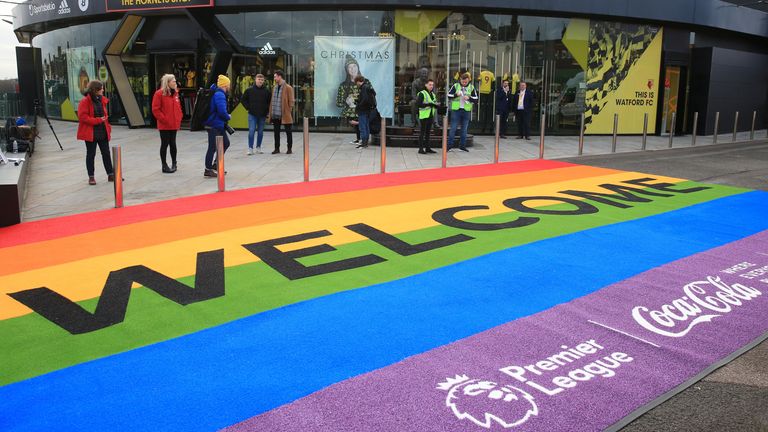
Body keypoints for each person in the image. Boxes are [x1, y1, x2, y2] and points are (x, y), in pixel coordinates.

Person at [77, 80, 114, 185]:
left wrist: (108, 127)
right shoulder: (85, 101)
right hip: (91, 133)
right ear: (95, 90)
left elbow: (104, 117)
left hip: (102, 132)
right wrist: (98, 120)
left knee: (106, 153)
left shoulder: (102, 100)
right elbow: (82, 117)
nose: (103, 90)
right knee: (91, 154)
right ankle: (91, 177)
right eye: (101, 88)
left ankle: (110, 174)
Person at [151, 74, 182, 173]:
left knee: (173, 143)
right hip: (165, 124)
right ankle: (164, 165)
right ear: (168, 82)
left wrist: (179, 117)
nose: (175, 83)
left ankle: (174, 163)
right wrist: (164, 119)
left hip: (174, 123)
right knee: (165, 144)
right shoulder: (159, 94)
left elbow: (178, 107)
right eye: (173, 81)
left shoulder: (175, 93)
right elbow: (155, 109)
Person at [203, 74, 232, 177]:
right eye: (228, 85)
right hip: (214, 124)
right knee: (212, 147)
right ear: (225, 85)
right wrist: (228, 116)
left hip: (217, 124)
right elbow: (222, 111)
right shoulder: (219, 95)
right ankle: (208, 169)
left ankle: (216, 164)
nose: (229, 87)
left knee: (226, 143)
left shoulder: (217, 93)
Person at [446, 72, 478, 152]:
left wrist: (469, 98)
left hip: (466, 110)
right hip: (456, 110)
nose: (464, 83)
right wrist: (456, 94)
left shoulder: (471, 87)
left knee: (464, 129)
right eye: (463, 82)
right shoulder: (456, 86)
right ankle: (449, 145)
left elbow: (476, 99)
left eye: (466, 82)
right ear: (460, 80)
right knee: (453, 128)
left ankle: (462, 146)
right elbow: (449, 96)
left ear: (468, 81)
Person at [241, 73, 271, 154]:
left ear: (264, 81)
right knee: (251, 131)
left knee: (260, 132)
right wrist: (248, 107)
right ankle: (250, 148)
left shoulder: (267, 91)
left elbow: (269, 102)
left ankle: (258, 147)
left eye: (262, 80)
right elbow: (243, 100)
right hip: (252, 114)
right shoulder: (249, 90)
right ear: (255, 80)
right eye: (259, 79)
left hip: (262, 115)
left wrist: (267, 112)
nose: (260, 81)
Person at [268, 70, 295, 154]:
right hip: (276, 113)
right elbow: (272, 100)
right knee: (276, 132)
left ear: (280, 77)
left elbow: (291, 101)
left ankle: (289, 148)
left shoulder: (288, 87)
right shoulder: (275, 87)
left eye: (275, 76)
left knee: (288, 132)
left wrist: (288, 110)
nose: (274, 78)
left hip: (285, 113)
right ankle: (277, 148)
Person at [336, 55, 361, 144]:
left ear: (358, 67)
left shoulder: (365, 82)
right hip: (350, 112)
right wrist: (346, 102)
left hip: (362, 110)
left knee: (361, 123)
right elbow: (339, 103)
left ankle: (362, 139)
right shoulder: (343, 85)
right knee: (355, 123)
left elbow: (371, 96)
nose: (352, 69)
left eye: (354, 66)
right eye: (349, 67)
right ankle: (358, 138)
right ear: (347, 70)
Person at [416, 79, 439, 154]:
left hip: (430, 115)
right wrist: (430, 104)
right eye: (430, 84)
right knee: (422, 132)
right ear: (426, 85)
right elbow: (419, 104)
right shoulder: (422, 93)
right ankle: (421, 149)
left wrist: (437, 105)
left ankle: (428, 148)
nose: (431, 86)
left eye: (432, 85)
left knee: (428, 132)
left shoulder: (433, 94)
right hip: (423, 116)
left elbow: (434, 104)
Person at [354, 75, 376, 149]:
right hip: (368, 110)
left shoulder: (363, 87)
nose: (356, 84)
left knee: (362, 126)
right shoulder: (367, 86)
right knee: (366, 126)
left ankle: (364, 143)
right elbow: (368, 97)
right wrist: (358, 100)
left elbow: (365, 99)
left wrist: (359, 105)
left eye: (356, 82)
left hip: (363, 110)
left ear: (358, 81)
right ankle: (365, 142)